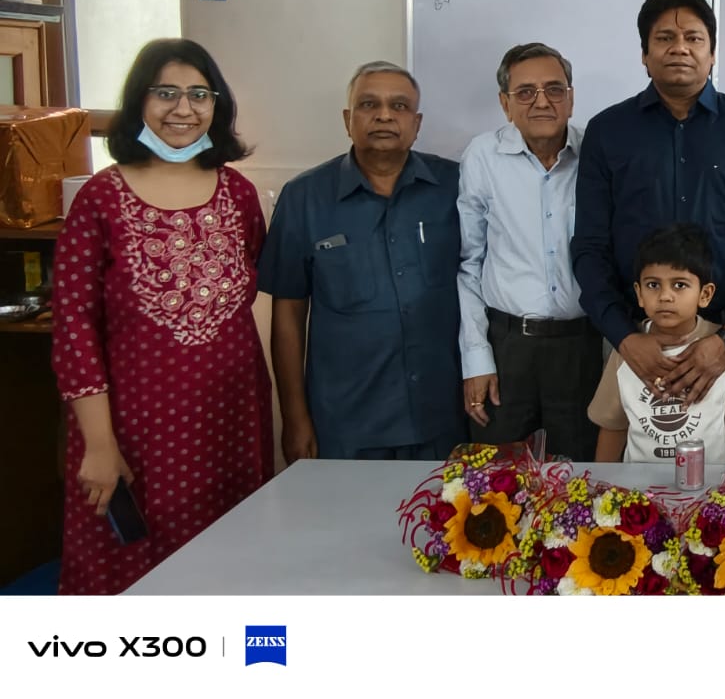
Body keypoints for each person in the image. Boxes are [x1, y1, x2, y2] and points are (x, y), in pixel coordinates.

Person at [50, 38, 272, 594]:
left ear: (217, 104)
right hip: (132, 429)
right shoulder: (100, 199)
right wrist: (99, 443)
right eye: (166, 93)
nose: (183, 109)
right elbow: (74, 327)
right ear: (139, 102)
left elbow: (245, 287)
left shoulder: (238, 194)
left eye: (199, 94)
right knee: (131, 573)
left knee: (230, 565)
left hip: (229, 423)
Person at [573, 0, 725, 442]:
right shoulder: (608, 132)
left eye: (693, 38)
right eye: (664, 38)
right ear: (644, 54)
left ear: (712, 53)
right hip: (637, 340)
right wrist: (625, 338)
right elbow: (590, 248)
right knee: (632, 476)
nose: (680, 48)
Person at [259, 61, 466, 462]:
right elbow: (288, 315)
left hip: (443, 417)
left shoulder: (457, 187)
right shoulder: (303, 198)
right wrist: (295, 418)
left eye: (399, 106)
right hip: (346, 423)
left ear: (417, 123)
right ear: (347, 119)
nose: (385, 115)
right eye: (369, 104)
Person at [457, 42, 599, 460]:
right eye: (525, 92)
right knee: (496, 481)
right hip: (507, 349)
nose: (541, 102)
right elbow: (468, 263)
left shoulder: (597, 153)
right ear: (505, 104)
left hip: (583, 347)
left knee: (584, 478)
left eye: (554, 89)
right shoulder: (483, 156)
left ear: (571, 98)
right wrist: (477, 359)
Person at [589, 223, 725, 464]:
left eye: (680, 285)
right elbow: (613, 427)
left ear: (705, 294)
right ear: (639, 294)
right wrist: (601, 481)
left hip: (713, 484)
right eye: (653, 285)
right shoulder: (627, 351)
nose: (665, 296)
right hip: (639, 485)